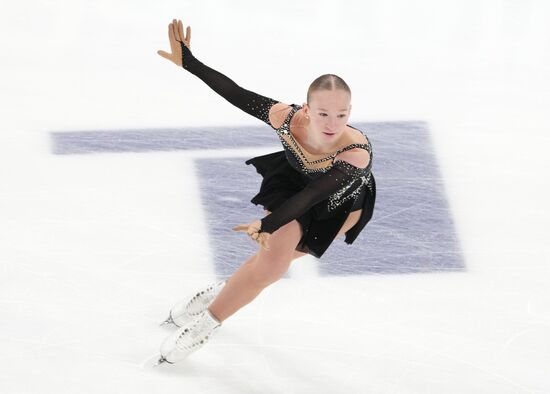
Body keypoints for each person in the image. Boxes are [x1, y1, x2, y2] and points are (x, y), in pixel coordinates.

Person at [155, 19, 376, 365]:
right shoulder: (285, 118)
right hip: (291, 185)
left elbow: (315, 196)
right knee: (272, 266)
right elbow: (236, 94)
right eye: (322, 113)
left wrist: (268, 226)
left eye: (341, 114)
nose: (332, 124)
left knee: (276, 258)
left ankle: (228, 288)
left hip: (339, 202)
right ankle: (202, 328)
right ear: (306, 109)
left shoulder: (355, 153)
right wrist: (192, 63)